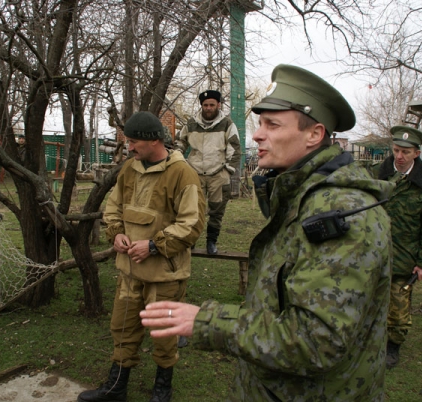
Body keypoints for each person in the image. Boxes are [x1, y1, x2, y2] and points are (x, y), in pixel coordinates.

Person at [141, 64, 394, 401]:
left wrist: (208, 322)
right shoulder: (301, 195)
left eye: (272, 125)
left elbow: (316, 341)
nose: (258, 135)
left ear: (314, 135)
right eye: (260, 124)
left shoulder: (341, 214)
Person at [77, 111, 205, 402]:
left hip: (164, 274)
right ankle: (115, 388)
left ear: (153, 140)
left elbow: (192, 223)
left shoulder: (182, 173)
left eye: (133, 141)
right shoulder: (129, 169)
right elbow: (114, 207)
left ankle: (162, 390)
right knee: (122, 327)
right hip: (130, 272)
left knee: (163, 333)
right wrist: (116, 232)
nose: (129, 147)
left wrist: (153, 246)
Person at [370, 126, 422, 368]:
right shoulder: (376, 176)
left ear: (417, 154)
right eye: (396, 150)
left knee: (398, 308)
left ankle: (393, 346)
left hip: (404, 258)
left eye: (405, 152)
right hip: (372, 253)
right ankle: (369, 340)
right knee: (368, 299)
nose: (399, 156)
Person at [175, 90, 241, 254]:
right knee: (192, 209)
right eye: (205, 105)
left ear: (218, 105)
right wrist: (179, 160)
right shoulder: (191, 124)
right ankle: (191, 240)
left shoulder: (227, 124)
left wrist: (228, 170)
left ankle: (211, 242)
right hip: (194, 173)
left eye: (212, 105)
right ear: (201, 105)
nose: (208, 108)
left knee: (217, 211)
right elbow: (179, 142)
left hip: (218, 173)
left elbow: (235, 148)